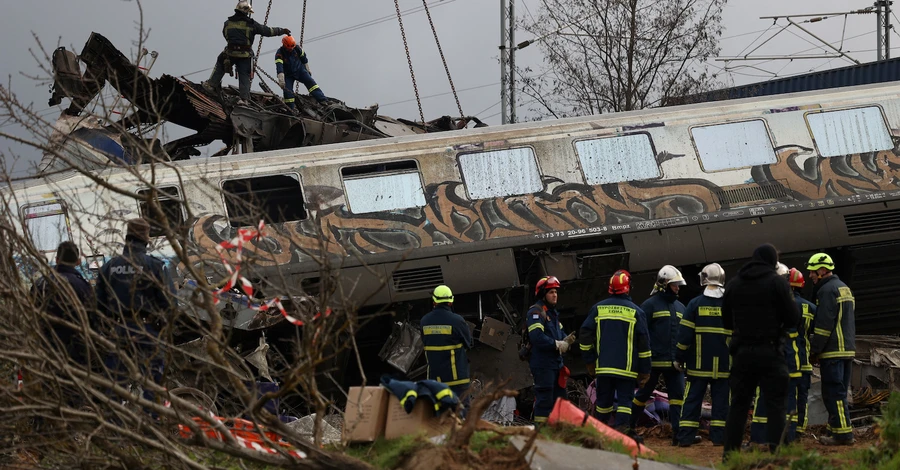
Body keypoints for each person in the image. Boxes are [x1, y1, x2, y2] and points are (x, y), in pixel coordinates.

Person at [722, 244, 799, 458]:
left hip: (742, 353)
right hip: (771, 352)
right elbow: (793, 318)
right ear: (772, 261)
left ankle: (729, 457)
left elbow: (726, 320)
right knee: (775, 406)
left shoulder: (734, 283)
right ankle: (777, 456)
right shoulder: (776, 283)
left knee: (738, 406)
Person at [96, 218, 176, 404]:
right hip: (147, 330)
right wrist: (162, 325)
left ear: (126, 238)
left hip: (117, 330)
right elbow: (170, 303)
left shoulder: (110, 266)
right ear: (146, 239)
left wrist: (106, 325)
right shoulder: (155, 266)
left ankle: (114, 423)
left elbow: (96, 304)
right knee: (152, 383)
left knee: (115, 383)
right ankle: (151, 424)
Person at [579, 270, 651, 431]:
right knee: (625, 403)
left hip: (604, 368)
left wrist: (590, 361)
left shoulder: (598, 309)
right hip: (627, 370)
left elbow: (584, 336)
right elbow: (644, 346)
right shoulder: (636, 312)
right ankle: (622, 433)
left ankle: (598, 435)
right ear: (628, 288)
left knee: (603, 403)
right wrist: (645, 371)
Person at [674, 263, 730, 447]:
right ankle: (719, 437)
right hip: (723, 365)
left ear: (704, 279)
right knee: (721, 403)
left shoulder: (695, 304)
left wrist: (679, 357)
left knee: (692, 401)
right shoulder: (730, 304)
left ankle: (685, 438)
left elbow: (684, 336)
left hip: (698, 365)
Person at [750, 263, 806, 445]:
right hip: (791, 361)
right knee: (788, 401)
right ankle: (787, 440)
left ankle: (759, 440)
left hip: (771, 361)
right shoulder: (793, 305)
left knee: (763, 399)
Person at [632, 265, 688, 444]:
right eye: (674, 285)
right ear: (664, 285)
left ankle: (678, 435)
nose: (678, 288)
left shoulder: (681, 307)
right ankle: (627, 429)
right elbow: (639, 333)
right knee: (642, 395)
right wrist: (641, 362)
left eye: (678, 285)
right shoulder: (649, 306)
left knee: (677, 398)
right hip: (653, 362)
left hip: (674, 363)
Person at [807, 252, 856, 446]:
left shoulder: (826, 290)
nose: (810, 275)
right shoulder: (844, 288)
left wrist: (814, 350)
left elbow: (823, 325)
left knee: (833, 393)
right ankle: (834, 429)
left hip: (833, 351)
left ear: (822, 270)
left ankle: (843, 435)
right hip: (847, 350)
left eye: (812, 272)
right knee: (840, 392)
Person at [203, 1, 291, 103]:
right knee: (244, 74)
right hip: (245, 55)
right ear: (245, 12)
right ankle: (244, 99)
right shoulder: (251, 24)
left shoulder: (227, 23)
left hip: (230, 53)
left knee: (221, 62)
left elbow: (225, 35)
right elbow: (267, 31)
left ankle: (211, 85)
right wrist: (282, 30)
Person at [30, 241, 96, 366]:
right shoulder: (83, 286)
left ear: (57, 259)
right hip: (75, 353)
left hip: (45, 350)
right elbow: (92, 319)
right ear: (78, 262)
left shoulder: (39, 284)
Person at [526, 276, 571, 424]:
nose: (555, 295)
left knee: (561, 401)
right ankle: (541, 433)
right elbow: (536, 337)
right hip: (543, 365)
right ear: (543, 294)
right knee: (545, 401)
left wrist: (566, 340)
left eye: (556, 292)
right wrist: (556, 344)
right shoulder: (536, 312)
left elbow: (560, 332)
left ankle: (561, 433)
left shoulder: (552, 314)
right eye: (551, 292)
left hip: (555, 365)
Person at [420, 285, 474, 401]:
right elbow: (469, 343)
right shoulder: (457, 321)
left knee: (439, 415)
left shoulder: (424, 321)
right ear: (450, 302)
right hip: (457, 381)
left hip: (435, 380)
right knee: (462, 414)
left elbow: (425, 342)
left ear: (434, 301)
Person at [788, 267, 817, 434]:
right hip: (804, 359)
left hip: (788, 359)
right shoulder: (811, 308)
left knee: (789, 395)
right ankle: (800, 429)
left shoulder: (782, 305)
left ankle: (788, 429)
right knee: (802, 396)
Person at [275, 35, 327, 107]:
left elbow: (303, 58)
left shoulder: (297, 48)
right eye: (289, 48)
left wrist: (307, 68)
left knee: (311, 84)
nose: (290, 50)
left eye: (292, 48)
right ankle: (291, 109)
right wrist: (281, 78)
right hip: (288, 75)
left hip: (300, 71)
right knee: (287, 92)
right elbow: (279, 66)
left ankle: (323, 101)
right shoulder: (279, 53)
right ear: (284, 45)